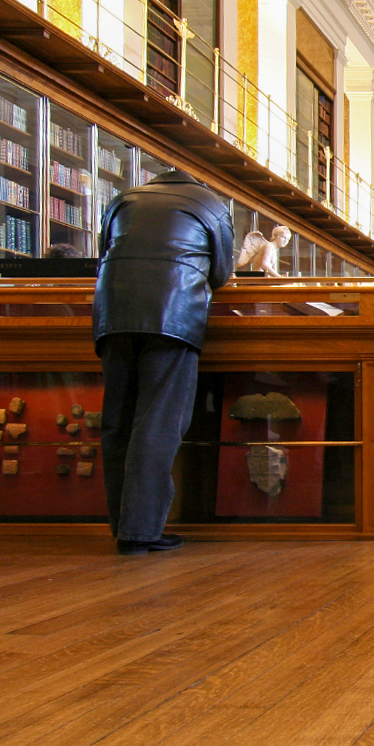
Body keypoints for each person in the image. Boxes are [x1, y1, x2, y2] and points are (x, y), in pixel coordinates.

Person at [94, 169, 234, 555]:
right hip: (172, 316)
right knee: (159, 420)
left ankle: (123, 525)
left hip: (113, 313)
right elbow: (221, 272)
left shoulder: (122, 200)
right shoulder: (211, 205)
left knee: (117, 418)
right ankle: (140, 531)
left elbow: (104, 252)